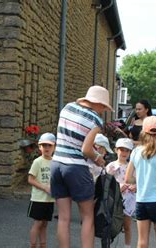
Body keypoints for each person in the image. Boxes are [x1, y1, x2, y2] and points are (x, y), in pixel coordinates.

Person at [50, 85, 111, 248]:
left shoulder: (67, 107)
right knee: (87, 217)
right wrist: (98, 158)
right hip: (76, 167)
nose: (104, 110)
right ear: (97, 102)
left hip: (56, 164)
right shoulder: (96, 120)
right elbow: (85, 149)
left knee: (63, 218)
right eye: (104, 106)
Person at [125, 116, 156, 248]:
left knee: (142, 241)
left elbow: (128, 178)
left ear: (143, 133)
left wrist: (141, 180)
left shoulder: (135, 152)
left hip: (141, 201)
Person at [27, 133, 56, 248]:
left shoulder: (55, 162)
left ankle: (43, 245)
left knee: (44, 224)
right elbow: (30, 179)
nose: (47, 148)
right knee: (38, 223)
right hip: (38, 199)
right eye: (44, 145)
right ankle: (33, 245)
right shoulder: (37, 162)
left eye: (49, 145)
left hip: (49, 199)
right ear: (40, 147)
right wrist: (44, 187)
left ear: (54, 147)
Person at [106, 138, 135, 248]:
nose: (124, 153)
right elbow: (106, 184)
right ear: (116, 150)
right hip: (114, 199)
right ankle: (108, 244)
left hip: (128, 199)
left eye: (127, 150)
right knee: (111, 224)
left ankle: (127, 246)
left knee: (127, 225)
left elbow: (138, 181)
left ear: (130, 152)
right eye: (121, 150)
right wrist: (118, 187)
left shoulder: (132, 167)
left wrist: (135, 187)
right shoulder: (111, 166)